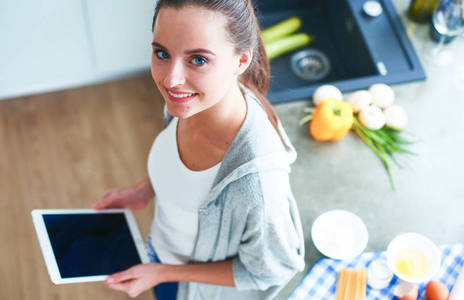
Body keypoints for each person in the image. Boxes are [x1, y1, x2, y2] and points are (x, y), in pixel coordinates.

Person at [92, 0, 305, 299]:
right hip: (161, 256)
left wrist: (166, 273)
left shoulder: (257, 184)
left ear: (241, 61)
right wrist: (144, 190)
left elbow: (273, 269)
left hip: (188, 286)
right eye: (162, 53)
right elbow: (180, 173)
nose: (171, 79)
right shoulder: (188, 104)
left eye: (199, 60)